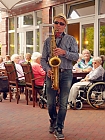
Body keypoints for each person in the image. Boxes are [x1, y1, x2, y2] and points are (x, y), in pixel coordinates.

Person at [41, 13, 79, 140]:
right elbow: (42, 59)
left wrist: (64, 52)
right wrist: (47, 69)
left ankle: (59, 128)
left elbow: (76, 56)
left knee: (63, 104)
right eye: (56, 23)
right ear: (53, 24)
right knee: (51, 104)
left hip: (66, 73)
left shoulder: (71, 39)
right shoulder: (48, 41)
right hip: (51, 74)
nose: (58, 25)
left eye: (61, 23)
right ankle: (53, 120)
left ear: (65, 26)